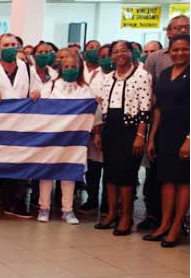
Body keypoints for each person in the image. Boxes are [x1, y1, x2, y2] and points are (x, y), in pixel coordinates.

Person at [93, 40, 152, 236]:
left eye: (123, 51)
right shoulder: (107, 78)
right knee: (110, 173)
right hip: (110, 128)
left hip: (131, 130)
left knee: (126, 175)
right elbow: (101, 108)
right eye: (115, 52)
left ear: (131, 53)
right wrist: (98, 133)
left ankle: (126, 216)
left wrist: (140, 135)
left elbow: (145, 108)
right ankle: (111, 213)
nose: (119, 55)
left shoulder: (143, 76)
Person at [0, 33, 37, 218]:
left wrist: (36, 92)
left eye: (13, 44)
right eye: (6, 44)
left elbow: (38, 88)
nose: (10, 47)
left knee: (16, 163)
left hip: (19, 125)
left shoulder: (27, 69)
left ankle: (13, 203)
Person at [141, 16, 190, 232]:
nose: (180, 53)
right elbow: (158, 107)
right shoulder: (164, 73)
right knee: (166, 180)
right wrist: (151, 138)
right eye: (176, 50)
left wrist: (189, 139)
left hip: (185, 133)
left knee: (183, 182)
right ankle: (164, 223)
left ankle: (177, 225)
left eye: (185, 49)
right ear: (170, 51)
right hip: (165, 133)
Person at [36, 50, 93, 225]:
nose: (69, 69)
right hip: (51, 137)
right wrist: (35, 95)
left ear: (79, 68)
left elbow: (91, 115)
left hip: (73, 140)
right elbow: (40, 109)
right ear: (61, 68)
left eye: (73, 67)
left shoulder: (86, 90)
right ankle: (43, 207)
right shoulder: (51, 86)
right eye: (66, 66)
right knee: (47, 173)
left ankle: (67, 210)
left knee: (69, 173)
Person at [81, 40, 107, 213]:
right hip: (81, 125)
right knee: (90, 164)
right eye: (90, 47)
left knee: (102, 162)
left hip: (102, 123)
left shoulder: (107, 74)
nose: (94, 51)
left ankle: (106, 202)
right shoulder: (78, 69)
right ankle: (91, 198)